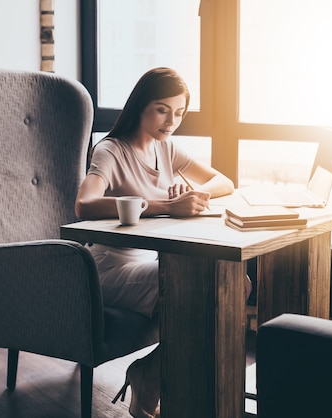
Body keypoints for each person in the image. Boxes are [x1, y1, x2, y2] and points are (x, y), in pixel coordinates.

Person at [75, 67, 247, 418]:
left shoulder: (165, 148)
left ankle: (150, 372)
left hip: (149, 261)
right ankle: (166, 385)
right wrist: (165, 206)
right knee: (203, 291)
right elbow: (84, 204)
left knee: (236, 283)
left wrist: (197, 193)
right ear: (141, 105)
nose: (171, 121)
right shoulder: (111, 150)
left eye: (180, 112)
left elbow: (224, 181)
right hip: (108, 268)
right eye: (162, 110)